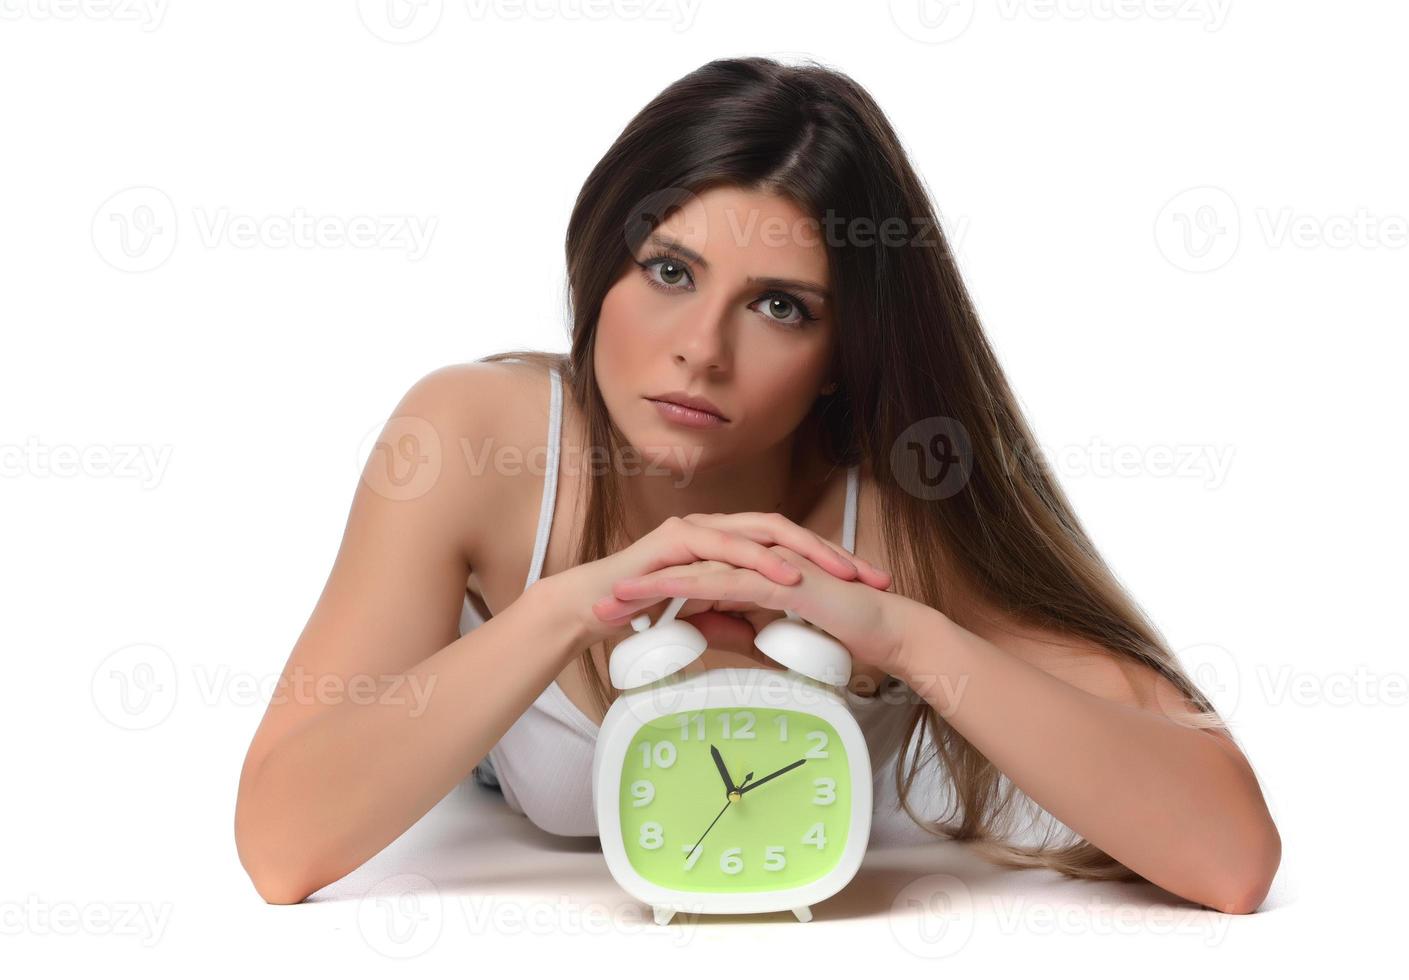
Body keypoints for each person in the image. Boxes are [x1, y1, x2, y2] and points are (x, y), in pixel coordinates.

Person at [234, 56, 1279, 913]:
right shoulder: (470, 437)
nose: (699, 351)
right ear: (600, 267)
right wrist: (569, 604)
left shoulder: (898, 509)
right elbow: (280, 845)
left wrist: (906, 635)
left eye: (778, 306)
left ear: (841, 353)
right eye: (669, 271)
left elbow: (1230, 857)